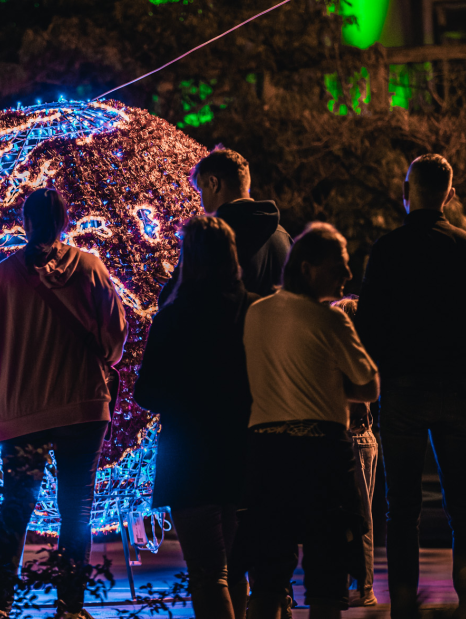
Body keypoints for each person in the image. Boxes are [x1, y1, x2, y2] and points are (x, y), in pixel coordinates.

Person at [355, 154, 466, 617]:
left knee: (401, 508)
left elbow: (368, 326)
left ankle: (404, 606)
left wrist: (382, 373)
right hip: (456, 388)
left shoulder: (387, 249)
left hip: (402, 388)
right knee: (465, 504)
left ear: (407, 192)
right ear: (450, 195)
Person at [0, 188, 129, 619]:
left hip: (21, 410)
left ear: (25, 223)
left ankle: (0, 607)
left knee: (15, 508)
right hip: (82, 406)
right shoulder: (90, 268)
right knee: (76, 511)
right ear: (66, 222)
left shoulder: (2, 278)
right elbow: (115, 340)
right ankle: (69, 608)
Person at [243, 223, 379, 619]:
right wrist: (329, 384)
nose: (347, 274)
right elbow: (369, 385)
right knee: (327, 574)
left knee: (268, 573)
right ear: (307, 268)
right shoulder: (332, 320)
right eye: (338, 266)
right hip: (323, 454)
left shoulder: (256, 313)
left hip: (267, 452)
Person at [135, 216, 258, 619]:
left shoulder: (173, 317)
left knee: (208, 574)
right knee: (237, 568)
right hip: (244, 451)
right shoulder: (255, 310)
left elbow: (146, 393)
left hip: (189, 459)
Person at [159, 146, 291, 306]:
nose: (201, 202)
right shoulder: (283, 237)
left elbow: (174, 303)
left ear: (214, 183)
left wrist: (174, 283)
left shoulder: (207, 236)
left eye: (201, 191)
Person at [330, 296, 378, 609]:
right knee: (355, 518)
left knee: (359, 519)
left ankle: (363, 588)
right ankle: (355, 585)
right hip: (359, 438)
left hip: (354, 439)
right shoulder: (359, 354)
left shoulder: (348, 356)